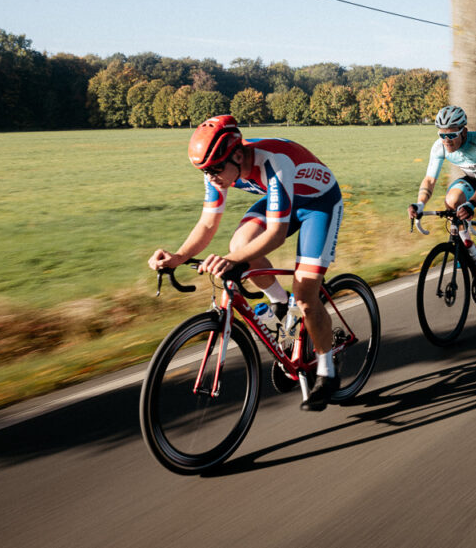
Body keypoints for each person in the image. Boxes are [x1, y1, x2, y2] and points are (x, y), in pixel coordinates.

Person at [147, 115, 345, 411]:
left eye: (214, 170)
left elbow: (276, 234)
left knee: (305, 297)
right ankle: (279, 302)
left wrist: (230, 261)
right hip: (284, 200)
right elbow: (207, 224)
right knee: (240, 244)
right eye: (204, 171)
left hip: (319, 204)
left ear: (237, 155)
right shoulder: (220, 166)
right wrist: (178, 257)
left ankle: (327, 372)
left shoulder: (273, 161)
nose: (210, 177)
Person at [407, 105, 476, 314]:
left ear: (464, 131)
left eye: (452, 135)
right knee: (452, 200)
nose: (447, 140)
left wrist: (471, 204)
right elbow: (430, 179)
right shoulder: (439, 147)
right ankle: (474, 255)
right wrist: (420, 204)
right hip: (475, 179)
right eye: (442, 135)